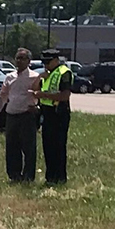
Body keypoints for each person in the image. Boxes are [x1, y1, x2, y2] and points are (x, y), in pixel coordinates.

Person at [0, 48, 41, 182]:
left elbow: (40, 95)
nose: (19, 61)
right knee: (12, 147)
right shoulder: (9, 77)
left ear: (29, 61)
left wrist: (37, 107)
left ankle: (28, 176)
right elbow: (2, 97)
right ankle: (14, 175)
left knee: (29, 148)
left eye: (22, 58)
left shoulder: (35, 77)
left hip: (26, 116)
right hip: (11, 115)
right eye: (17, 58)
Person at [37, 49, 73, 185]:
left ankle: (60, 177)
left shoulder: (64, 73)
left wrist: (43, 95)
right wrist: (40, 77)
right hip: (47, 112)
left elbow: (65, 95)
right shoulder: (48, 74)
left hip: (59, 113)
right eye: (44, 62)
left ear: (56, 60)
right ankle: (50, 177)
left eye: (48, 62)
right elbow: (37, 87)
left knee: (58, 146)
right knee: (48, 146)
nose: (46, 65)